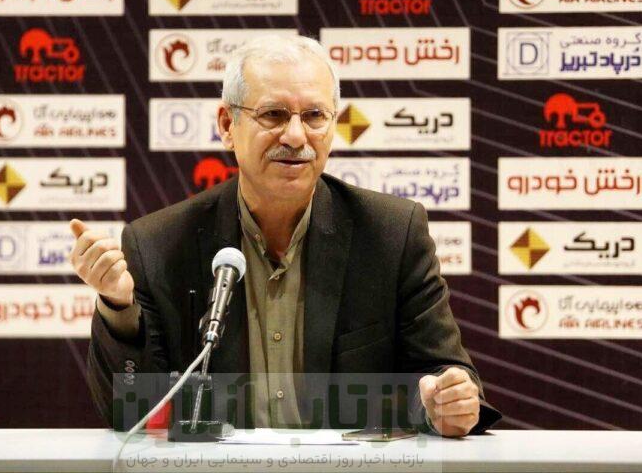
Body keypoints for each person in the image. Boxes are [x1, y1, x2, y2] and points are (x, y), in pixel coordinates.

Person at [70, 35, 501, 436]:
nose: (295, 136)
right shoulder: (159, 245)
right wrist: (118, 307)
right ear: (227, 124)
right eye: (273, 115)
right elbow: (127, 412)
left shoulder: (391, 234)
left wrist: (446, 404)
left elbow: (446, 377)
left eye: (314, 116)